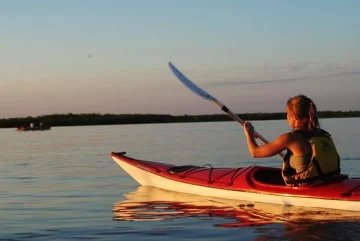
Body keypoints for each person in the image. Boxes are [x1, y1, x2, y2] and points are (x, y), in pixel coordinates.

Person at [243, 94, 340, 186]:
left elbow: (255, 152)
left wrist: (249, 134)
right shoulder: (323, 134)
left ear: (295, 117)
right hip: (330, 181)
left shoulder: (290, 138)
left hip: (308, 189)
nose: (287, 117)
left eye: (288, 114)